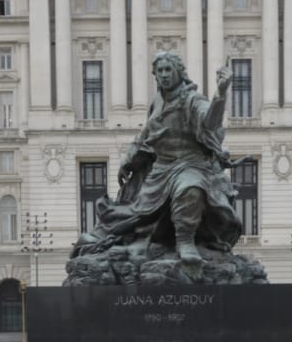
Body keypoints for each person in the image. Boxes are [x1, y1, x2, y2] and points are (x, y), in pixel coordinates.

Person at [71, 52, 238, 264]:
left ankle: (185, 241)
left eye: (169, 70)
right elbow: (146, 135)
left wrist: (220, 94)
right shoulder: (157, 101)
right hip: (161, 169)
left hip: (191, 165)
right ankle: (111, 238)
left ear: (178, 73)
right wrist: (128, 160)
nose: (165, 75)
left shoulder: (191, 99)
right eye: (160, 71)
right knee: (136, 215)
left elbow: (210, 122)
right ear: (155, 75)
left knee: (190, 189)